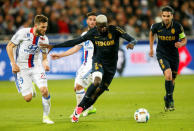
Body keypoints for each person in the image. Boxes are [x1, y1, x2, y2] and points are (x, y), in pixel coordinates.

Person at [40, 14, 137, 122]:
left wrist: (132, 43)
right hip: (98, 62)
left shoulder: (115, 29)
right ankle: (77, 111)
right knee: (96, 81)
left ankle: (83, 108)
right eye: (101, 26)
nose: (103, 28)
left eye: (105, 26)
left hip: (111, 67)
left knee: (96, 94)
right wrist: (54, 46)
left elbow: (132, 39)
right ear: (97, 26)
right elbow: (75, 42)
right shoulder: (92, 33)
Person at [6, 14, 54, 124]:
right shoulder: (23, 33)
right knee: (28, 98)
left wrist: (46, 63)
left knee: (44, 91)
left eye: (46, 27)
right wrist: (13, 64)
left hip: (36, 66)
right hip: (21, 68)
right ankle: (31, 87)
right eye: (42, 27)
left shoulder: (44, 39)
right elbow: (9, 46)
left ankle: (46, 117)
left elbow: (44, 57)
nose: (45, 29)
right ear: (36, 25)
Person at [51, 12, 97, 117]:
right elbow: (76, 48)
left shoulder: (101, 35)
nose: (92, 21)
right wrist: (60, 55)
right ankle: (90, 107)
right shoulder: (84, 35)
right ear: (87, 21)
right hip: (84, 65)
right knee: (77, 88)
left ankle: (77, 112)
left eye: (94, 19)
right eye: (90, 19)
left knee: (79, 86)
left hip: (93, 66)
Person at [149, 6, 187, 111]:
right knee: (168, 74)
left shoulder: (178, 27)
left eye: (168, 16)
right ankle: (170, 99)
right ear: (161, 16)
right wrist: (151, 48)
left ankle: (167, 98)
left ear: (172, 16)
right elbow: (151, 33)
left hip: (174, 55)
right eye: (164, 16)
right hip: (162, 54)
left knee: (172, 79)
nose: (166, 18)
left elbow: (184, 39)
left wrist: (181, 43)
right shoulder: (156, 26)